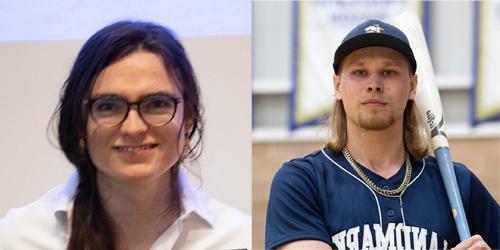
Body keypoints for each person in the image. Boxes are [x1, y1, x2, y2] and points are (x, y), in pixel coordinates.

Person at [0, 21, 250, 250]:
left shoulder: (238, 239)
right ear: (79, 121)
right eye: (108, 106)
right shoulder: (18, 238)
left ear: (188, 117)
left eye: (157, 103)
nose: (133, 128)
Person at [265, 19, 499, 250]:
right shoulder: (302, 181)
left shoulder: (457, 183)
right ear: (337, 86)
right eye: (359, 72)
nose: (374, 84)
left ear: (412, 86)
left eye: (388, 72)